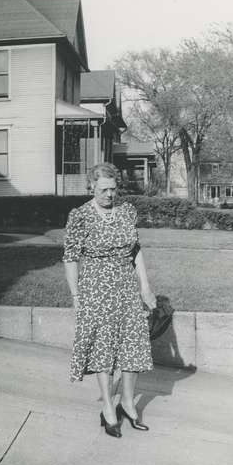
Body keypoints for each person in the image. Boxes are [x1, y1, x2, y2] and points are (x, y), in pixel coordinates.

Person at [63, 162, 157, 438]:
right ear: (91, 187)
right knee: (103, 348)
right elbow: (70, 258)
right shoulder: (80, 216)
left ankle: (128, 404)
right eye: (103, 189)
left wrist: (145, 287)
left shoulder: (127, 212)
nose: (109, 195)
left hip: (126, 287)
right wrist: (76, 297)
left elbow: (135, 250)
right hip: (96, 289)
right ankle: (107, 408)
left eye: (113, 189)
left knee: (133, 345)